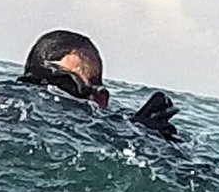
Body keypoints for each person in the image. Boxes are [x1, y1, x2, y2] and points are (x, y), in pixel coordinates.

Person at [21, 31, 180, 139]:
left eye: (64, 85)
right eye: (39, 82)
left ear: (99, 98)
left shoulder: (116, 131)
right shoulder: (12, 111)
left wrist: (143, 136)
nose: (46, 97)